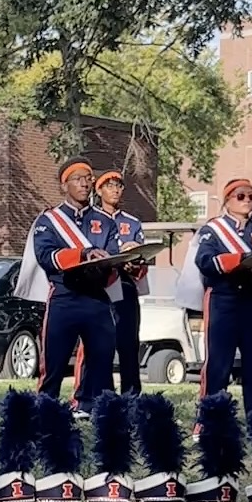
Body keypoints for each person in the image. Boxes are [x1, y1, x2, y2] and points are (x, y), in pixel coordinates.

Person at [14, 157, 121, 418]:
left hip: (97, 298)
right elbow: (46, 256)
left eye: (88, 178)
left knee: (102, 358)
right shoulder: (48, 221)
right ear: (64, 185)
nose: (85, 183)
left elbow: (113, 256)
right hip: (64, 296)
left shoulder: (105, 221)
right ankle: (45, 409)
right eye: (78, 179)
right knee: (53, 361)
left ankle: (91, 407)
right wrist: (83, 255)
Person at [176, 178, 252, 429]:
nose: (247, 201)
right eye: (241, 196)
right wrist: (240, 260)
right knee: (218, 364)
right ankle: (209, 422)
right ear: (227, 200)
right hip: (223, 299)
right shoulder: (213, 230)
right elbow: (206, 261)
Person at [72, 169, 147, 397]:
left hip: (124, 286)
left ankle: (131, 396)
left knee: (128, 342)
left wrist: (132, 262)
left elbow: (142, 261)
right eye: (109, 185)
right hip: (98, 288)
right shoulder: (89, 218)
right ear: (99, 190)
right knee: (94, 344)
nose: (115, 190)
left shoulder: (132, 223)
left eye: (119, 186)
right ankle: (89, 394)